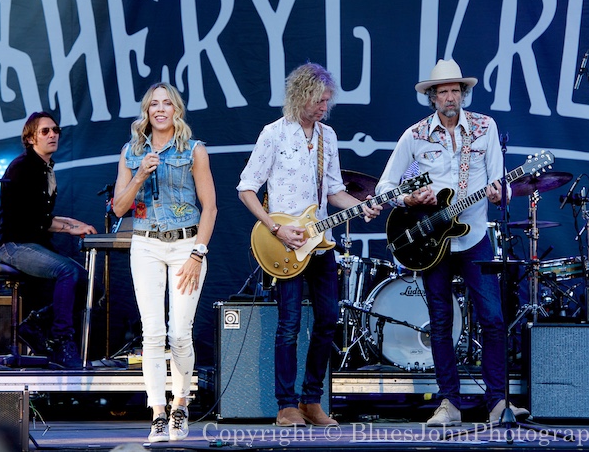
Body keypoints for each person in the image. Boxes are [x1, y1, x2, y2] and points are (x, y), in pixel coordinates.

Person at [376, 59, 530, 426]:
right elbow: (384, 188)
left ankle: (497, 402)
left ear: (464, 94)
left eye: (455, 90)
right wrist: (409, 199)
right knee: (440, 322)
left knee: (493, 319)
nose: (450, 97)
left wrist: (500, 195)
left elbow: (501, 182)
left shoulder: (483, 127)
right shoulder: (414, 135)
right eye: (443, 91)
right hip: (432, 241)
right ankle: (449, 402)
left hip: (474, 235)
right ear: (431, 97)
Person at [237, 62, 381, 427]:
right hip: (284, 241)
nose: (324, 107)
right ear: (300, 96)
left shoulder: (326, 138)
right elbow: (246, 188)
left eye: (327, 102)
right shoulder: (273, 134)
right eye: (318, 101)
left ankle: (311, 401)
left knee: (329, 319)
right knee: (289, 322)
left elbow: (333, 191)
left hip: (320, 242)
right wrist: (275, 228)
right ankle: (286, 404)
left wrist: (362, 206)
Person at [113, 82, 216, 443]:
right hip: (145, 244)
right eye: (153, 104)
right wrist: (140, 172)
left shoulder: (194, 150)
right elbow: (119, 207)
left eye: (166, 103)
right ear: (146, 110)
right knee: (153, 334)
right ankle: (158, 412)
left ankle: (181, 403)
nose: (160, 109)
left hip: (186, 245)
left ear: (176, 110)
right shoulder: (131, 151)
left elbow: (211, 207)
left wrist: (196, 253)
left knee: (179, 333)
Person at [0, 111, 96, 370]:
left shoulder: (44, 168)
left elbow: (44, 216)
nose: (53, 135)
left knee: (90, 284)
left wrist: (76, 225)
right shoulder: (23, 168)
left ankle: (36, 323)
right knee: (67, 271)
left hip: (34, 243)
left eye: (55, 130)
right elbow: (33, 220)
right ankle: (62, 340)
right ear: (30, 138)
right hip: (14, 246)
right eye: (45, 131)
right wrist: (69, 228)